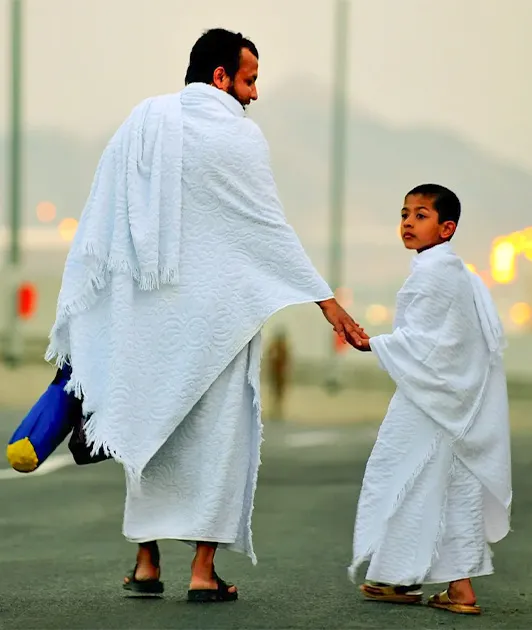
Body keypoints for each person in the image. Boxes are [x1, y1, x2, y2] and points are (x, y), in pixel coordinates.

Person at [46, 28, 365, 603]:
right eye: (250, 79)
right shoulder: (238, 138)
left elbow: (104, 217)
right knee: (218, 440)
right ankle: (201, 571)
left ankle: (146, 565)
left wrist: (103, 310)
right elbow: (266, 227)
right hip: (216, 320)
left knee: (149, 431)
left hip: (147, 317)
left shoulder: (142, 123)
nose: (255, 94)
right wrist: (327, 302)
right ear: (220, 77)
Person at [348, 184, 512, 615]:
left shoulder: (435, 272)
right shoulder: (456, 272)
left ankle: (445, 586)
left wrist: (375, 345)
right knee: (434, 483)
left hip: (431, 398)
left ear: (446, 228)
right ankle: (412, 580)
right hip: (449, 398)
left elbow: (430, 345)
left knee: (406, 476)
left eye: (420, 215)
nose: (407, 222)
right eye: (403, 213)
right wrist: (387, 345)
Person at [265, 328, 291, 420]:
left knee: (279, 392)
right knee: (274, 391)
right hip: (275, 373)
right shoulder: (274, 347)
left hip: (280, 373)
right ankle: (274, 410)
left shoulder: (282, 348)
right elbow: (270, 358)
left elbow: (286, 360)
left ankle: (278, 410)